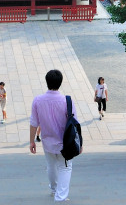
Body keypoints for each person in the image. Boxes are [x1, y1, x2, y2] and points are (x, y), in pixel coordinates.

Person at [29, 69, 79, 202]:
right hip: (65, 142)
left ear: (46, 82)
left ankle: (53, 189)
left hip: (47, 141)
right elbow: (75, 123)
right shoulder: (67, 100)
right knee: (65, 167)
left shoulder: (37, 100)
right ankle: (60, 196)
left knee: (51, 165)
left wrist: (31, 141)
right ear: (60, 82)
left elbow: (34, 123)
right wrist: (80, 143)